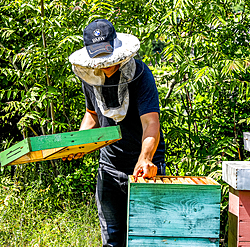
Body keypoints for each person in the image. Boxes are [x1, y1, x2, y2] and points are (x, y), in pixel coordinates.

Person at [67, 19, 166, 246]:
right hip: (109, 165)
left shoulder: (140, 75)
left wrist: (145, 159)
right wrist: (79, 144)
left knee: (145, 238)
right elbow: (92, 114)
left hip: (144, 166)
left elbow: (151, 122)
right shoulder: (89, 78)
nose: (104, 63)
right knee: (111, 237)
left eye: (107, 54)